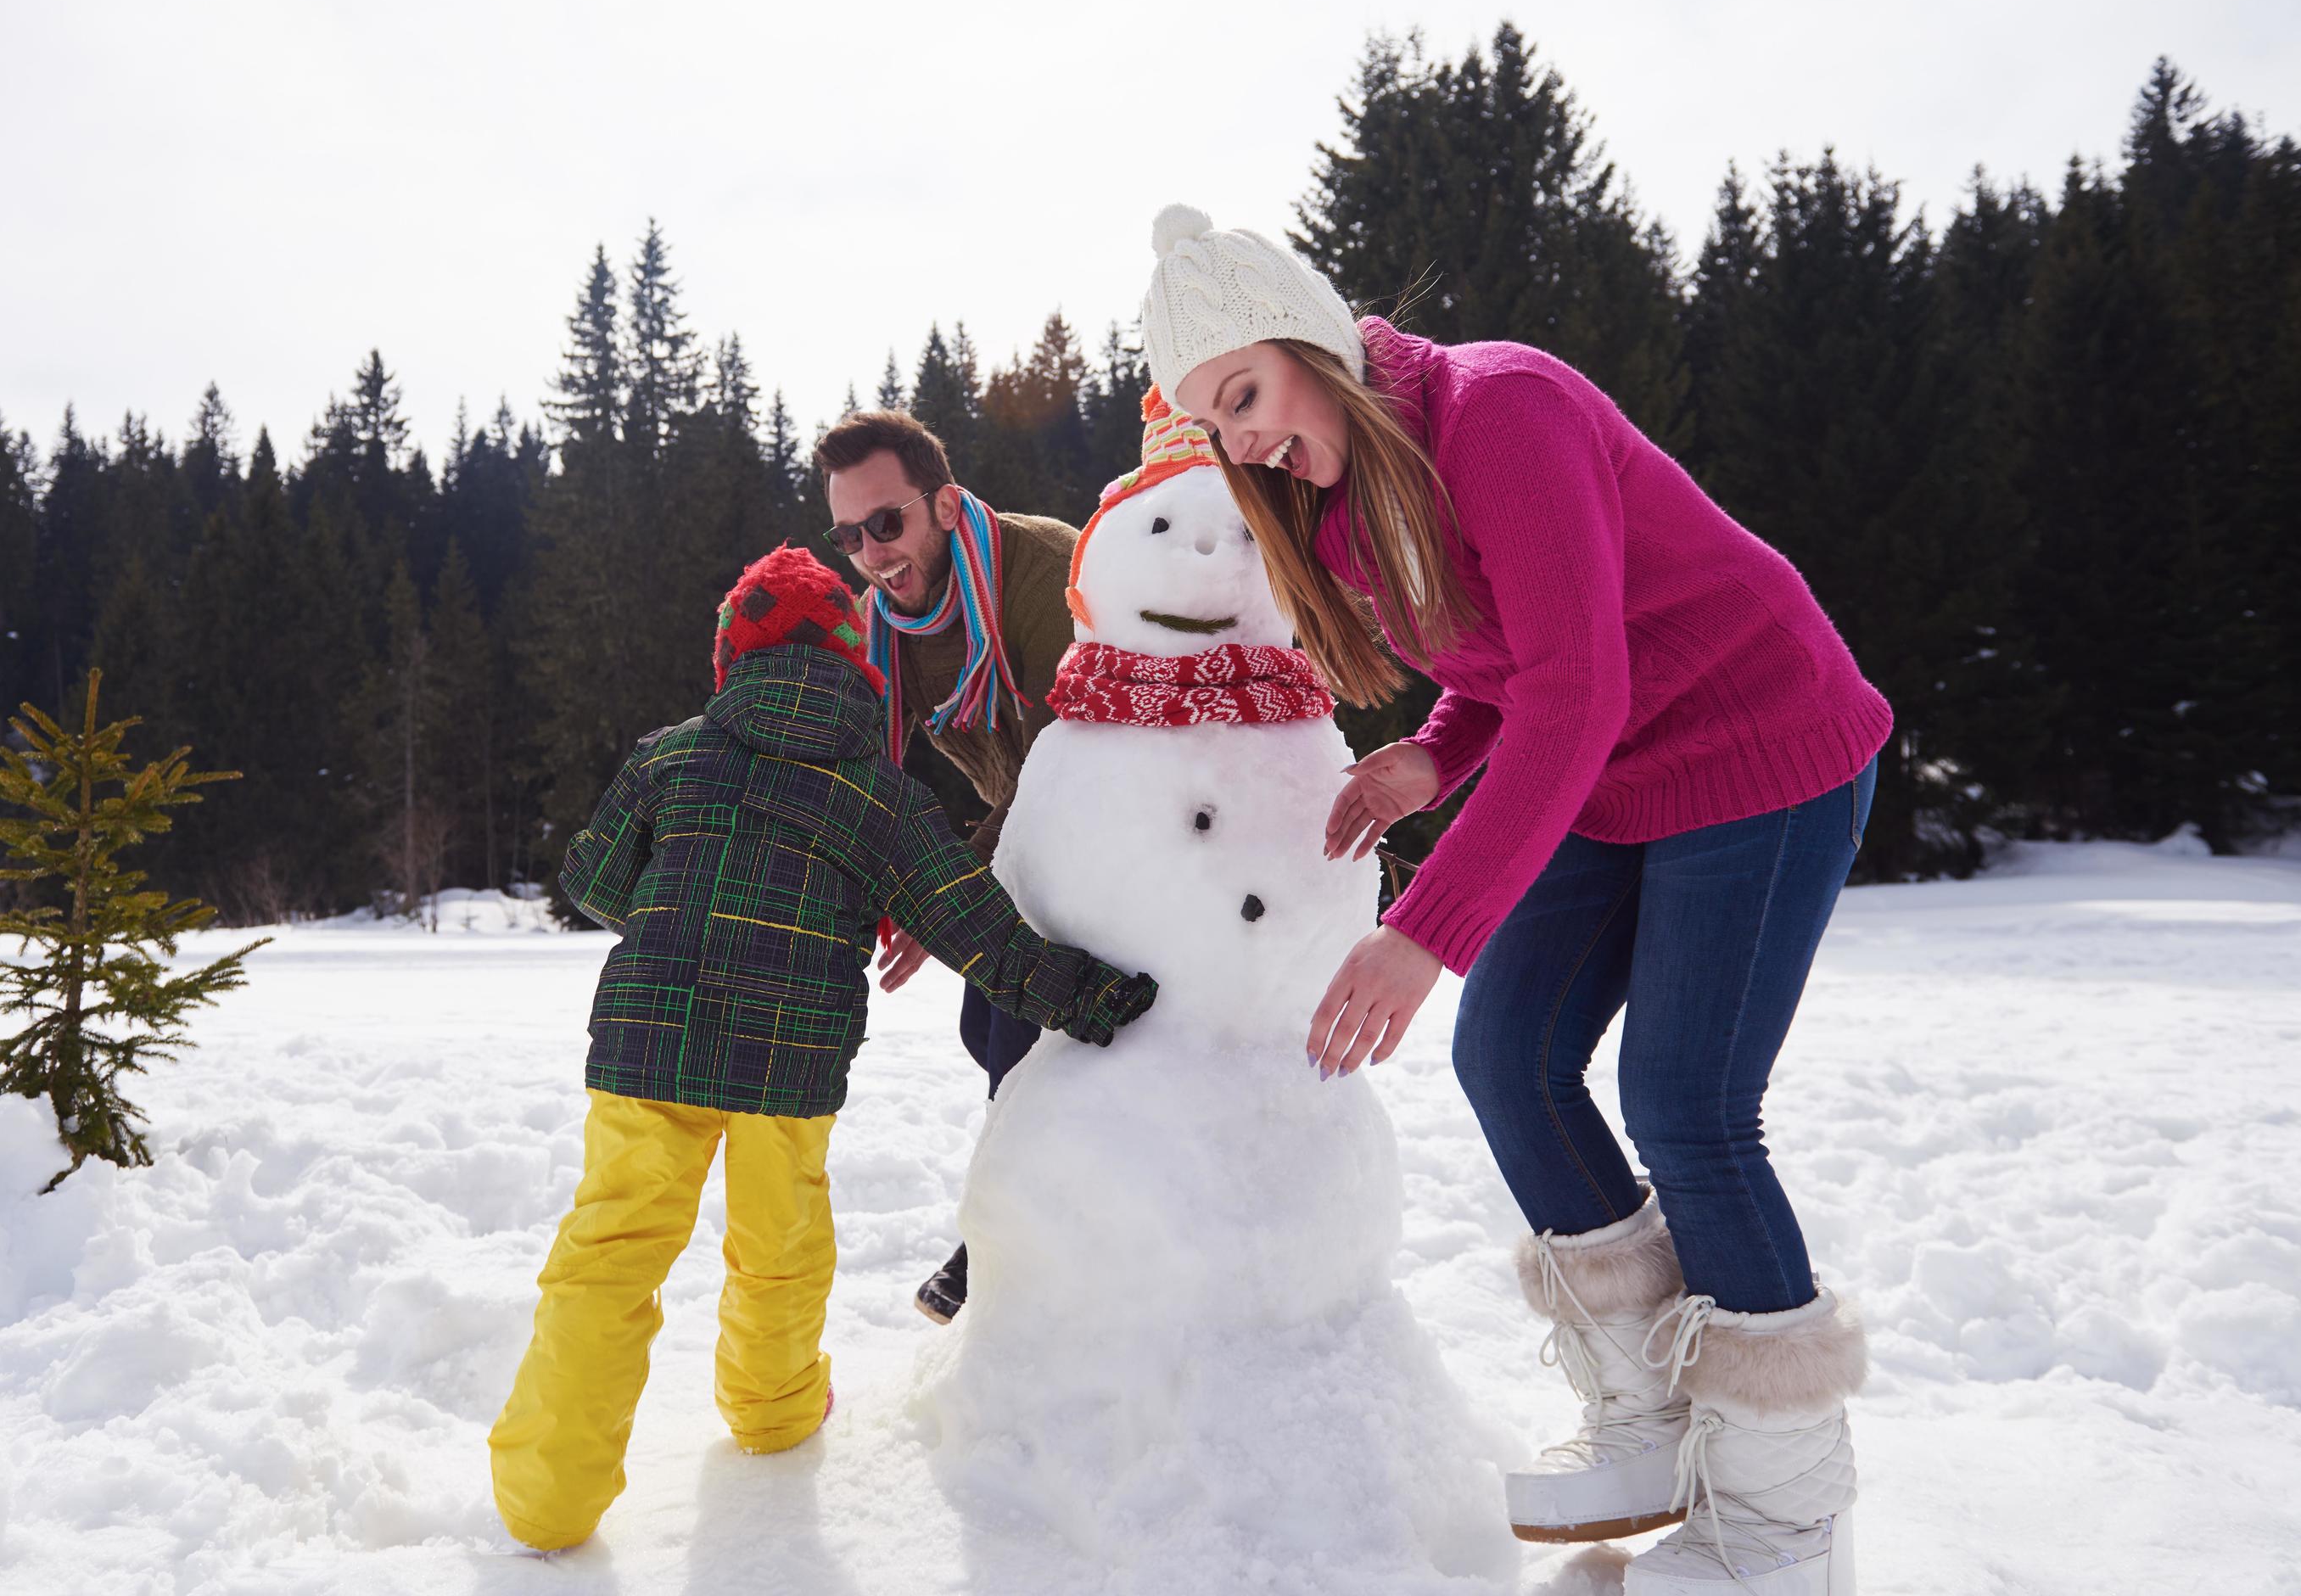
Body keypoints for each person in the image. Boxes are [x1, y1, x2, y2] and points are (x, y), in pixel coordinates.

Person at [1141, 204, 1891, 1595]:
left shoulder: (1501, 409)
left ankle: (1781, 1521)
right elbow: (1508, 667)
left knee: (1687, 1107)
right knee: (1511, 1055)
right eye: (1211, 425)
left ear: (1312, 337)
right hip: (1614, 775)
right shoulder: (1350, 504)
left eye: (1240, 394)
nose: (1238, 442)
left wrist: (1423, 931)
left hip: (1755, 741)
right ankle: (1650, 1421)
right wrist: (1433, 755)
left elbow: (1578, 679)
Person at [486, 543, 1156, 1553]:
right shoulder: (881, 797)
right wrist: (1092, 996)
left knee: (609, 1254)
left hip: (644, 1045)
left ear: (731, 658)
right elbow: (985, 937)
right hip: (787, 1063)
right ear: (856, 666)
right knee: (780, 1245)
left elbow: (590, 880)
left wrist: (668, 908)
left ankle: (545, 1499)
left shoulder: (671, 754)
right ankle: (774, 1411)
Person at [812, 410, 1082, 1324]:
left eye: (887, 522)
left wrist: (947, 893)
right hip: (1021, 837)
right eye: (850, 536)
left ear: (945, 502)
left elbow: (1067, 754)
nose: (873, 554)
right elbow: (859, 779)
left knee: (1022, 1034)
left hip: (1124, 810)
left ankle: (1003, 1248)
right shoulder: (882, 627)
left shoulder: (1045, 570)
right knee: (986, 1030)